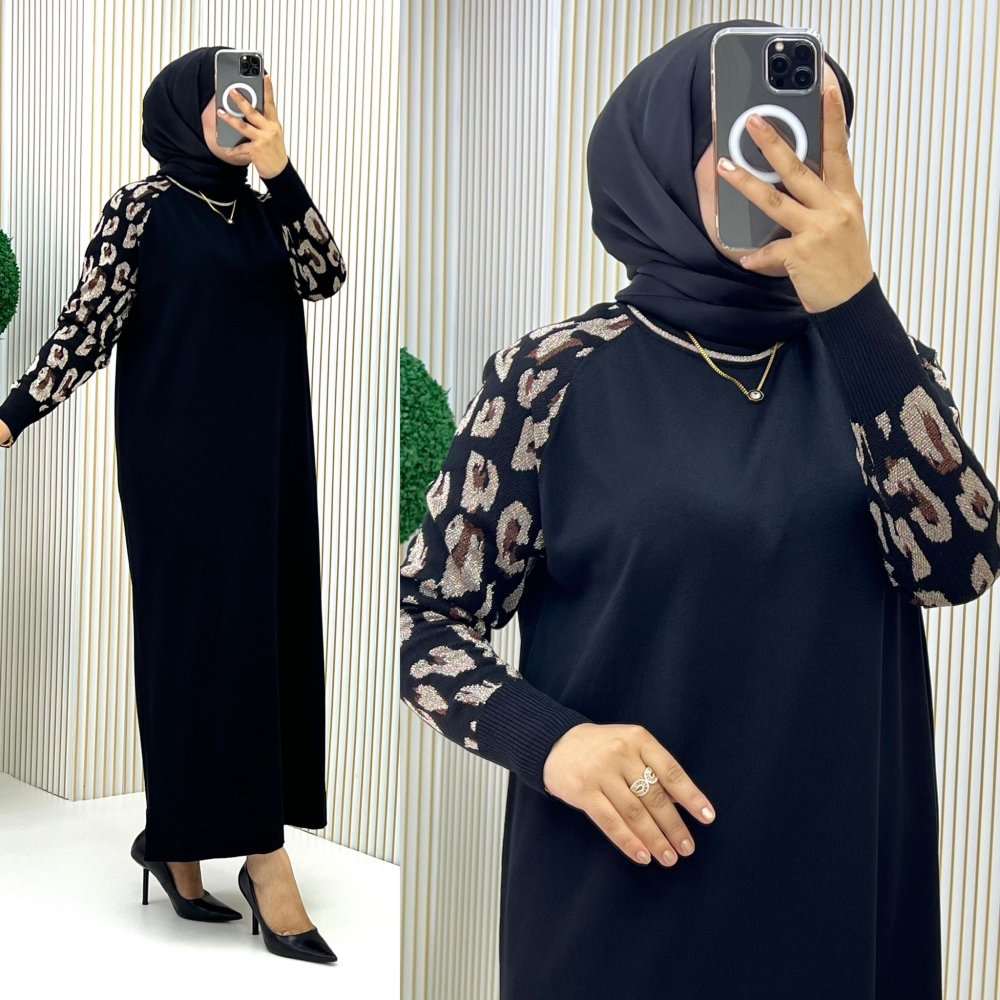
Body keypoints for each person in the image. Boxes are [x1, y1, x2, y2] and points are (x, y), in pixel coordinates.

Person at [398, 17, 999, 999]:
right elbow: (425, 623)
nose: (775, 162)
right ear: (659, 154)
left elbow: (960, 563)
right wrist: (551, 742)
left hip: (835, 887)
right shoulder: (549, 379)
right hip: (621, 884)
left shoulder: (882, 370)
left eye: (801, 135)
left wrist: (854, 304)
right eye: (741, 132)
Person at [0, 46, 346, 964]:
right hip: (179, 473)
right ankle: (265, 863)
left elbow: (327, 275)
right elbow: (88, 322)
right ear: (183, 110)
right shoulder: (144, 209)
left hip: (269, 466)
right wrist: (13, 414)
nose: (241, 112)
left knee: (264, 646)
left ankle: (178, 842)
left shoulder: (269, 212)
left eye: (254, 99)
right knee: (197, 647)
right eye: (226, 99)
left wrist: (281, 170)